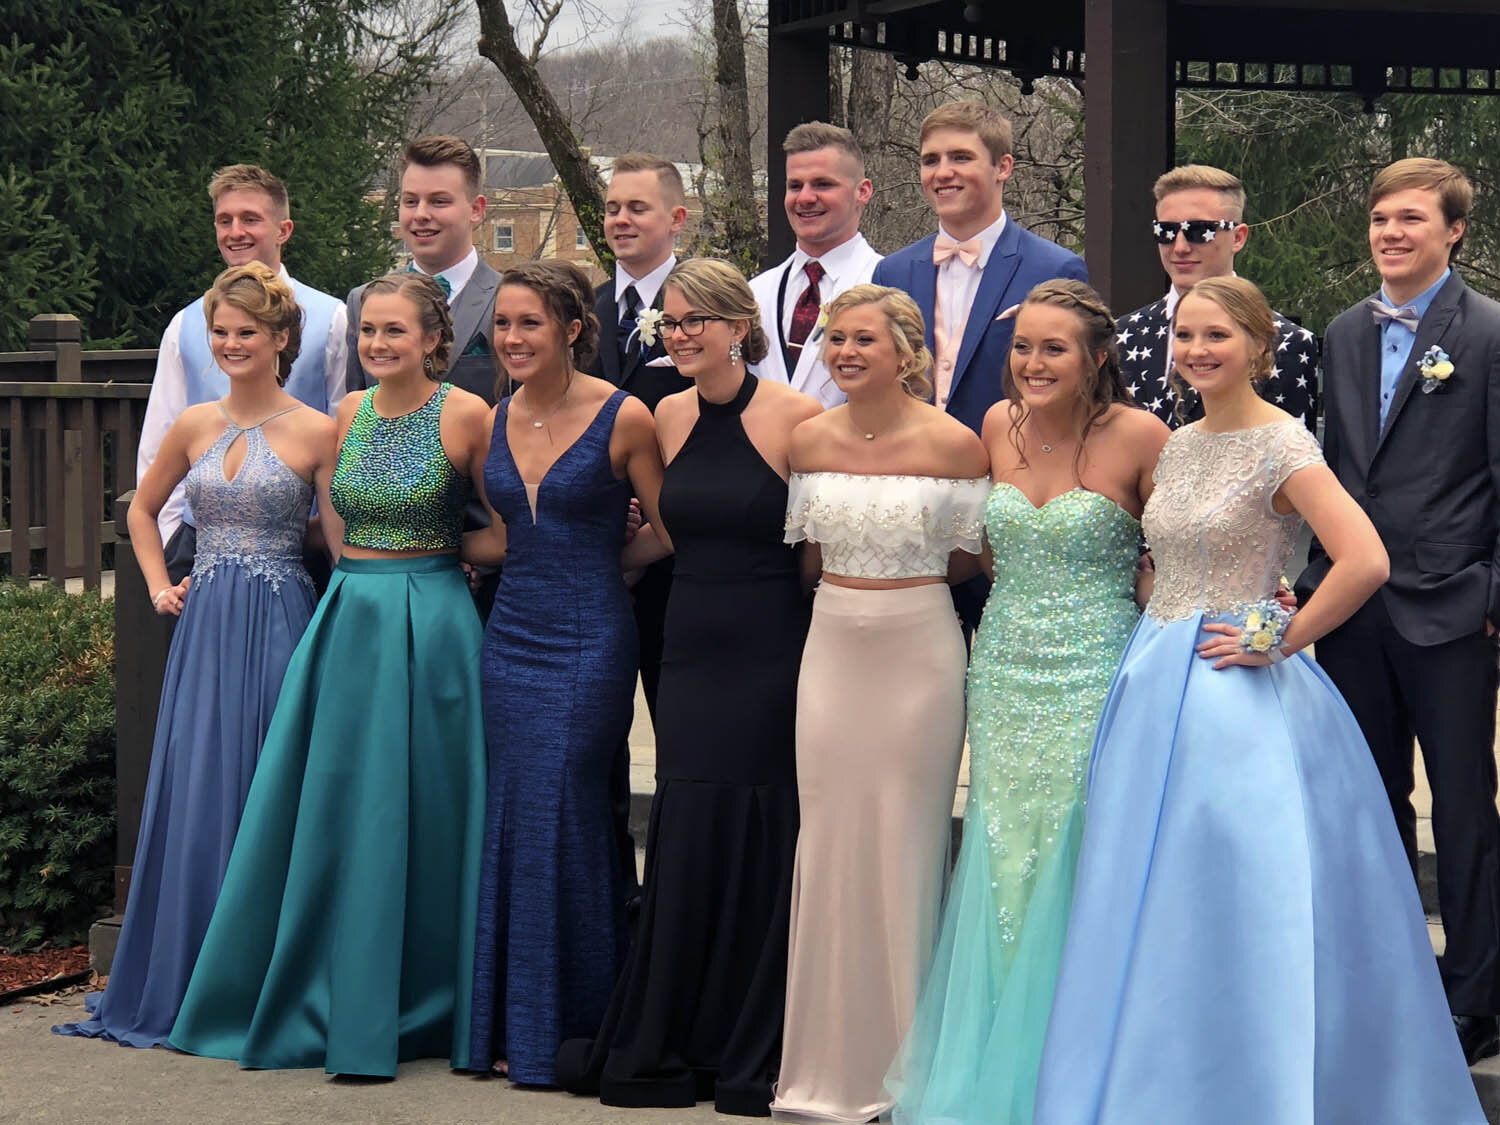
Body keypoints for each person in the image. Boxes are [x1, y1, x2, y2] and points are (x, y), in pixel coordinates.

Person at [1033, 276, 1483, 1124]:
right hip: (1152, 677)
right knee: (1146, 888)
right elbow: (1164, 553)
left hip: (1235, 696)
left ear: (1259, 348)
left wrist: (1281, 634)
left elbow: (1365, 559)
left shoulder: (1285, 447)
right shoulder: (1180, 442)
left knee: (1234, 886)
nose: (1198, 350)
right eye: (1188, 336)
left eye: (1218, 337)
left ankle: (1253, 1085)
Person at [169, 272, 492, 1077]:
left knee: (425, 805)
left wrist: (443, 559)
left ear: (432, 339)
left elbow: (508, 525)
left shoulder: (468, 413)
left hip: (432, 619)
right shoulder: (345, 413)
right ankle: (320, 988)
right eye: (370, 331)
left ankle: (426, 999)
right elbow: (334, 525)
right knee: (339, 804)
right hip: (348, 615)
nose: (380, 344)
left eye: (395, 331)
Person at [886, 280, 1168, 1124]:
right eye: (1022, 348)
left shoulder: (1143, 435)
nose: (1032, 364)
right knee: (1004, 855)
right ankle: (995, 1060)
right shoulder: (992, 429)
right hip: (1004, 667)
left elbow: (1175, 553)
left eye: (1054, 348)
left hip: (1096, 669)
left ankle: (1082, 1062)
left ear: (1098, 357)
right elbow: (971, 547)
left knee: (1076, 852)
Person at [555, 259, 821, 1115]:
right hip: (689, 641)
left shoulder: (796, 416)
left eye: (698, 319)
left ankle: (750, 1031)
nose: (681, 334)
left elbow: (818, 545)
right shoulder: (662, 414)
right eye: (671, 322)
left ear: (740, 325)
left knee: (761, 817)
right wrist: (594, 580)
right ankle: (682, 1026)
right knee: (687, 811)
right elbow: (663, 533)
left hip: (772, 639)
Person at [53, 263, 339, 1049]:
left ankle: (257, 984)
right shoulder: (193, 425)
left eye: (248, 331)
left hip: (284, 619)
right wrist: (158, 587)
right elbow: (144, 513)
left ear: (282, 338)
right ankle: (183, 974)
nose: (232, 343)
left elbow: (341, 545)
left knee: (265, 787)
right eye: (221, 331)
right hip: (205, 621)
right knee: (200, 785)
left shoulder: (319, 429)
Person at [1297, 156, 1500, 1066]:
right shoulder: (1343, 332)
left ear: (1453, 230)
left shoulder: (1489, 332)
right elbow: (1338, 465)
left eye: (1412, 219)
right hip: (1353, 610)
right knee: (1367, 801)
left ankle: (1475, 995)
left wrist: (1493, 597)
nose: (1391, 233)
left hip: (1454, 606)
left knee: (1461, 807)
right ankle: (1383, 982)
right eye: (1381, 218)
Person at [772, 284, 990, 1123]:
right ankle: (826, 1065)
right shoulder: (807, 438)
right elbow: (808, 555)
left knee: (907, 840)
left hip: (920, 651)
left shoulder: (956, 444)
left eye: (863, 338)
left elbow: (973, 556)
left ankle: (911, 1065)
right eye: (834, 339)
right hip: (831, 648)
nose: (845, 352)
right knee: (826, 841)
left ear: (907, 350)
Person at [464, 261, 670, 1086]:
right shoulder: (488, 420)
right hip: (510, 637)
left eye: (528, 324)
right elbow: (500, 534)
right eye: (502, 326)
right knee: (515, 811)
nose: (510, 339)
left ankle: (577, 1016)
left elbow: (669, 527)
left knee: (567, 805)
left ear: (572, 329)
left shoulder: (626, 418)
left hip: (590, 640)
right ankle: (515, 1019)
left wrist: (614, 566)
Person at [136, 164, 347, 581]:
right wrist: (172, 540)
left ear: (283, 230)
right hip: (201, 547)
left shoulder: (331, 317)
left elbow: (346, 434)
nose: (236, 232)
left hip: (305, 547)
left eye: (250, 219)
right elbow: (160, 434)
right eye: (224, 220)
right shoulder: (184, 324)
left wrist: (332, 541)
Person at [871, 99, 1087, 436]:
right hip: (909, 467)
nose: (942, 173)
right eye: (931, 160)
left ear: (1003, 167)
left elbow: (1077, 388)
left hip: (1013, 466)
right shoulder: (891, 272)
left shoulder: (1056, 269)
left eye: (961, 157)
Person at [1117, 165, 1319, 429]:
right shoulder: (1122, 336)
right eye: (1166, 231)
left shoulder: (1287, 341)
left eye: (1199, 231)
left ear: (1238, 237)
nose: (1180, 247)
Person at [345, 136, 500, 403]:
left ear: (476, 209)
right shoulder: (362, 300)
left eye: (438, 201)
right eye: (410, 201)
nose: (421, 214)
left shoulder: (508, 299)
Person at [749, 121, 882, 408]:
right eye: (795, 186)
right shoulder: (755, 292)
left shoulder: (886, 283)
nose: (806, 198)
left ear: (863, 191)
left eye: (823, 184)